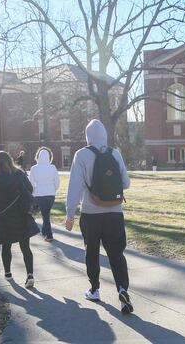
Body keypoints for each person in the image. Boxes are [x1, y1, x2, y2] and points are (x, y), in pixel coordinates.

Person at [64, 119, 133, 314]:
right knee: (116, 253)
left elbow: (74, 188)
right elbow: (126, 184)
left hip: (91, 214)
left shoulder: (81, 155)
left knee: (92, 252)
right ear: (104, 136)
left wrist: (70, 214)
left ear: (88, 136)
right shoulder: (115, 153)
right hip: (114, 212)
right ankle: (122, 289)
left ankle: (94, 289)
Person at [0, 151, 38, 289]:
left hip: (3, 218)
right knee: (25, 247)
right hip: (21, 214)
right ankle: (30, 275)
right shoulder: (19, 174)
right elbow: (30, 189)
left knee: (6, 246)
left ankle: (8, 273)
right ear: (10, 160)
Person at [28, 147, 60, 242]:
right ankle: (44, 231)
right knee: (46, 214)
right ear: (49, 157)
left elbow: (31, 184)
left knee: (45, 214)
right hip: (51, 195)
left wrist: (34, 192)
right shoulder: (52, 167)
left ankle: (49, 235)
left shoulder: (34, 168)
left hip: (39, 194)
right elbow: (57, 182)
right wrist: (53, 189)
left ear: (38, 157)